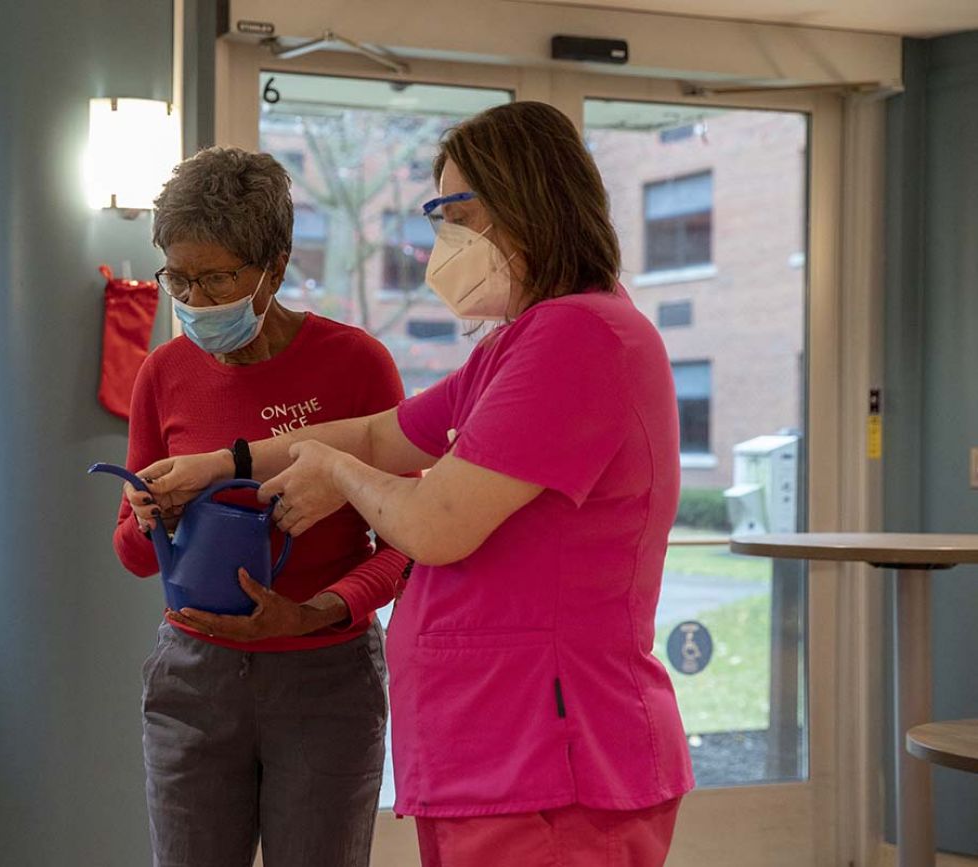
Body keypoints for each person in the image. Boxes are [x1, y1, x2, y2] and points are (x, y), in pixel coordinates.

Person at [136, 102, 695, 867]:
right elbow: (381, 433)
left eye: (455, 214)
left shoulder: (579, 337)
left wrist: (334, 479)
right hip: (495, 749)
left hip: (548, 755)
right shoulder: (521, 344)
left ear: (526, 205)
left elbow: (432, 524)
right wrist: (221, 464)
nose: (442, 241)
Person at [112, 146, 408, 867]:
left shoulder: (355, 365)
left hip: (326, 679)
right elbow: (129, 550)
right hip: (193, 677)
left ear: (273, 268)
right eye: (177, 276)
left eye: (215, 277)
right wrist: (151, 517)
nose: (195, 298)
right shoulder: (163, 373)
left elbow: (404, 539)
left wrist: (317, 611)